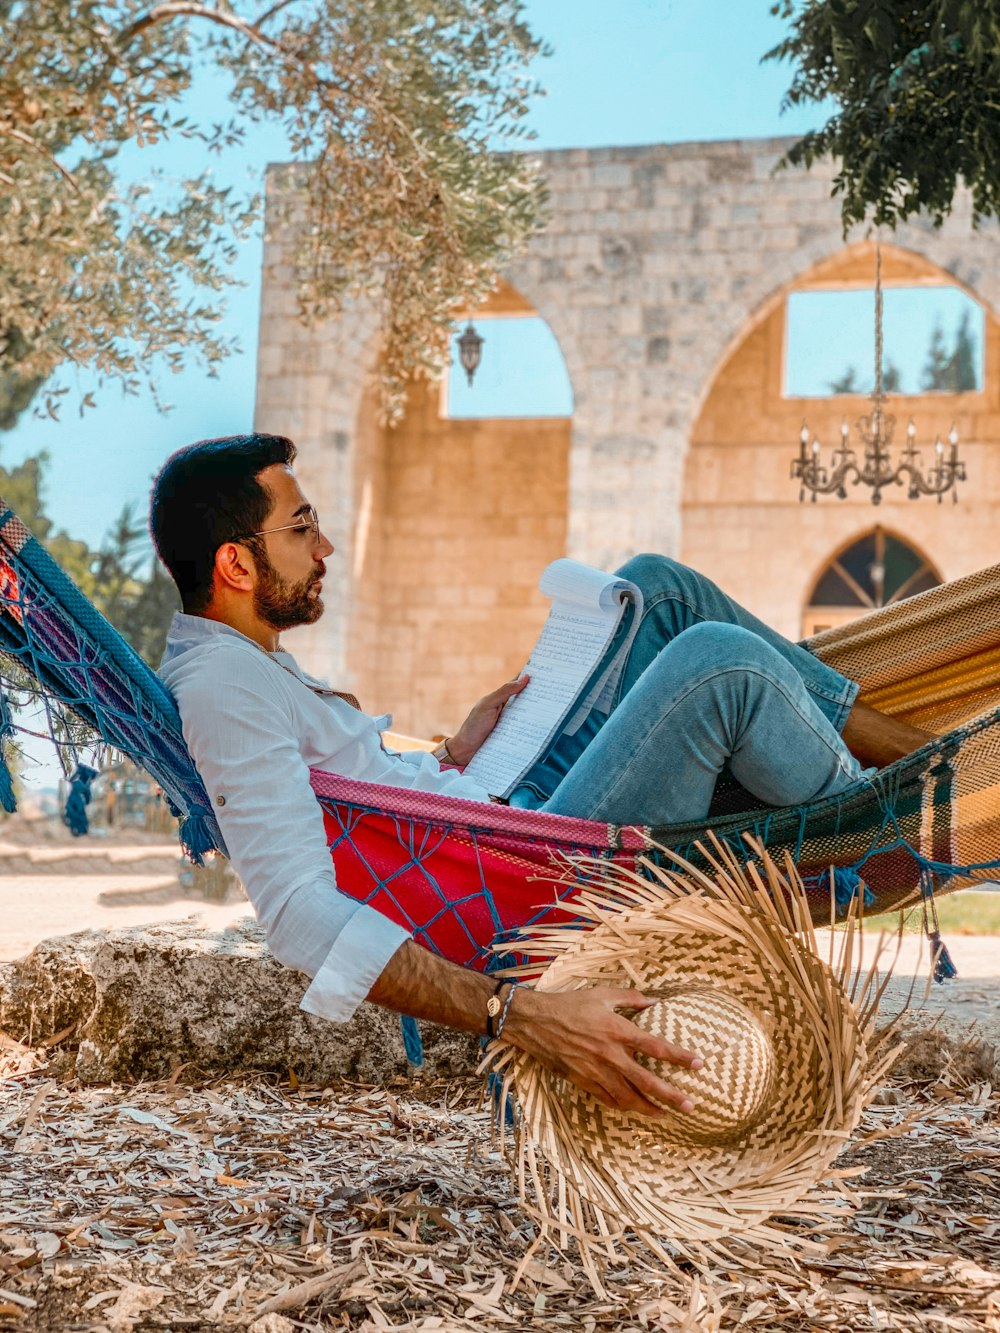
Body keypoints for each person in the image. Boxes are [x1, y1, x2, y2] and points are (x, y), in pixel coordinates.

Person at [152, 433, 930, 1119]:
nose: (324, 548)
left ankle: (914, 749)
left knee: (658, 589)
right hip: (530, 875)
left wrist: (454, 754)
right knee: (719, 666)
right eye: (301, 527)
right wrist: (518, 1012)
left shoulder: (240, 661)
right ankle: (897, 816)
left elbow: (359, 795)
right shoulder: (227, 689)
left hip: (498, 805)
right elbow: (297, 913)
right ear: (235, 564)